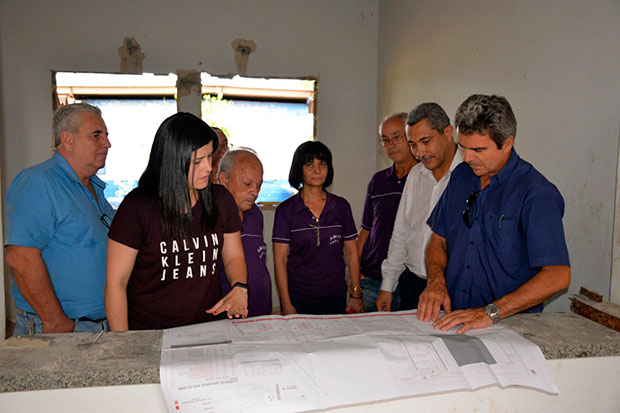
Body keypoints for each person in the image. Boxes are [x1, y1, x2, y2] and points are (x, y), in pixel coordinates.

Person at [419, 94, 571, 334]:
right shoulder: (461, 177)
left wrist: (491, 312)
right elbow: (438, 240)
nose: (467, 157)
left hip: (508, 327)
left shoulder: (536, 194)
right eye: (463, 147)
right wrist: (436, 281)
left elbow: (558, 275)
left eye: (478, 149)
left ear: (507, 143)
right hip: (454, 320)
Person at [105, 113, 248, 331]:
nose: (209, 168)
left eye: (210, 157)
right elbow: (116, 283)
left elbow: (234, 256)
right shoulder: (136, 208)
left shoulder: (221, 199)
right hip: (151, 333)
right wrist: (123, 345)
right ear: (172, 162)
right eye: (197, 162)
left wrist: (239, 286)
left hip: (207, 328)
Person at [4, 102, 114, 335]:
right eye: (96, 135)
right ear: (68, 140)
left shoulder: (93, 186)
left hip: (97, 326)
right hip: (61, 330)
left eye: (106, 135)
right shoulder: (38, 183)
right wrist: (55, 321)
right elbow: (20, 257)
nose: (107, 143)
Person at [377, 103, 463, 313]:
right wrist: (388, 286)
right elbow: (401, 233)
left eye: (426, 141)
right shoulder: (416, 175)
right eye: (413, 144)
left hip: (453, 291)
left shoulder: (470, 176)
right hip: (412, 285)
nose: (419, 152)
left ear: (448, 132)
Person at [272, 141, 363, 315]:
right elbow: (280, 261)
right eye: (309, 164)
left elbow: (352, 253)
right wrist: (286, 304)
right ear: (300, 169)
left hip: (335, 297)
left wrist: (356, 294)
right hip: (298, 298)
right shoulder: (286, 211)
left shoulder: (341, 206)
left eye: (322, 164)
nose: (317, 170)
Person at [358, 113, 417, 312]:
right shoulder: (378, 181)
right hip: (372, 278)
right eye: (385, 140)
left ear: (411, 137)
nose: (391, 145)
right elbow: (366, 230)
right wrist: (356, 275)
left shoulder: (424, 179)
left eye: (397, 137)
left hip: (409, 280)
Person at [217, 148, 272, 317]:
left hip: (260, 314)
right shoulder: (210, 218)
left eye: (259, 185)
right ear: (224, 180)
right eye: (247, 184)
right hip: (225, 316)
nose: (255, 192)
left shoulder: (255, 214)